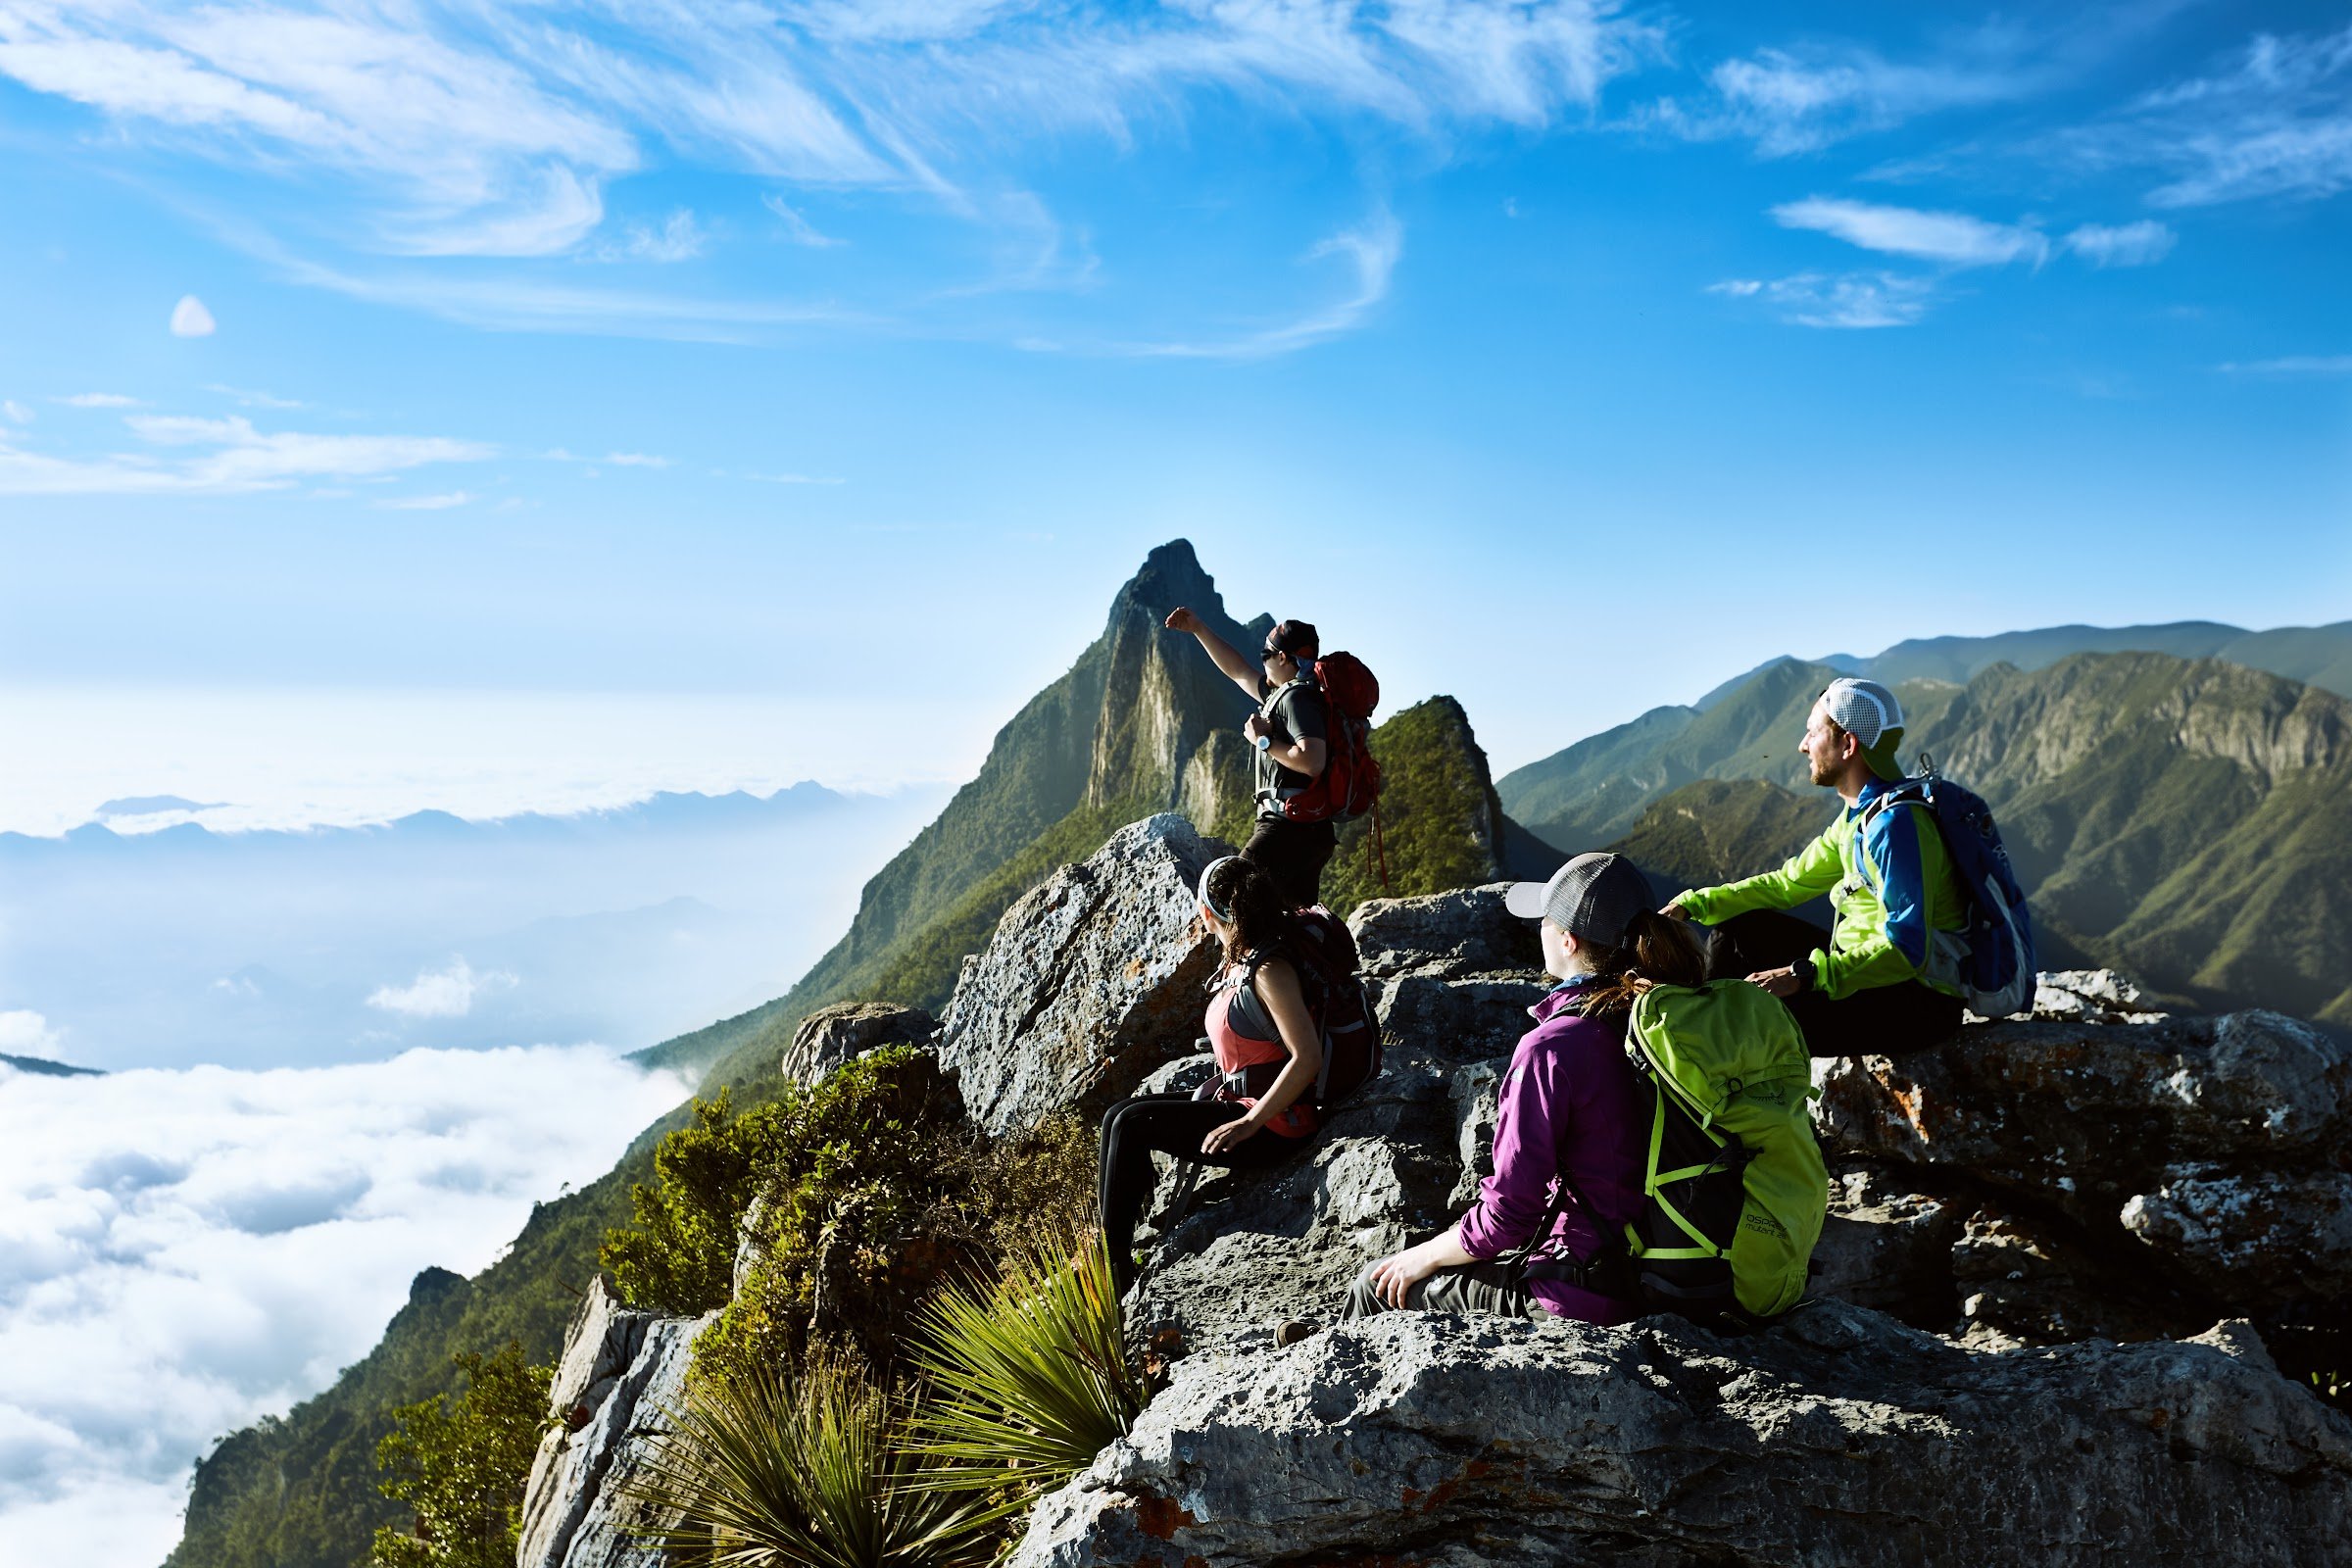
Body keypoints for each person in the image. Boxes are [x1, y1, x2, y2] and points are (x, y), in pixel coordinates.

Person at [1347, 852, 1694, 1325]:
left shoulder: (1553, 1046)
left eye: (1545, 921)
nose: (1539, 929)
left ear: (1568, 939)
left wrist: (1425, 1254)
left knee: (1375, 1284)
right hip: (1678, 1271)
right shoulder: (1673, 1023)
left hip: (1588, 1289)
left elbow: (1509, 1215)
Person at [1665, 676, 1968, 1057]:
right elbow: (1786, 884)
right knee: (1738, 925)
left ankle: (1693, 1060)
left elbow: (1907, 950)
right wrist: (1692, 905)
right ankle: (1694, 1043)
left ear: (1848, 744)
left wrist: (1803, 976)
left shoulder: (1896, 826)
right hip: (1867, 981)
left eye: (1812, 733)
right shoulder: (1859, 817)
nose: (1802, 745)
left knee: (1752, 1014)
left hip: (1916, 1005)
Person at [1099, 855, 1325, 1296]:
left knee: (1131, 1125)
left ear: (1207, 914)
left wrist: (1248, 1123)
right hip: (1242, 1101)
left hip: (1275, 1124)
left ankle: (1115, 1272)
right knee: (1118, 1114)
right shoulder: (1245, 960)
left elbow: (1307, 1057)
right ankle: (1118, 1239)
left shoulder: (1269, 971)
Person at [1162, 607, 1333, 907]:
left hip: (1286, 827)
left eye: (1266, 654)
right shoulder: (1287, 695)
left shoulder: (1297, 698)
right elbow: (1238, 671)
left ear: (1283, 657)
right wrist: (1199, 628)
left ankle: (1231, 956)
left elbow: (1312, 760)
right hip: (1307, 829)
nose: (1262, 660)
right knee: (1292, 920)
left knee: (1224, 896)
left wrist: (1262, 740)